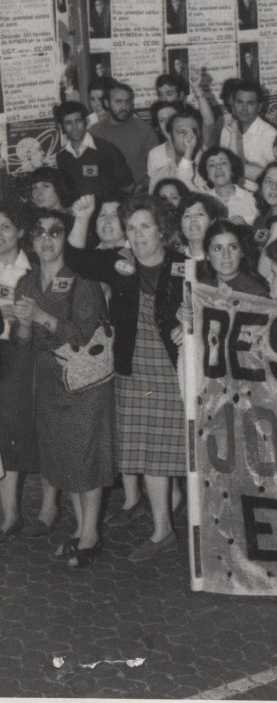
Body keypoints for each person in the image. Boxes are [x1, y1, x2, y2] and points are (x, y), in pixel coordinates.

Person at [65, 194, 186, 561]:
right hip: (131, 367)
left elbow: (215, 303)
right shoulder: (120, 261)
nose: (137, 235)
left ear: (161, 231)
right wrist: (82, 218)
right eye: (131, 228)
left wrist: (192, 323)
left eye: (145, 227)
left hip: (170, 369)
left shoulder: (185, 267)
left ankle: (165, 523)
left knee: (160, 451)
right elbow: (75, 258)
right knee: (146, 451)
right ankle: (163, 528)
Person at [13, 210, 114, 567]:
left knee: (84, 457)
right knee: (64, 459)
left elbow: (82, 336)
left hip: (81, 382)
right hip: (47, 382)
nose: (47, 239)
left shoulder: (82, 282)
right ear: (32, 240)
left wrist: (41, 317)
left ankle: (90, 536)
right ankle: (80, 530)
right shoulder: (26, 284)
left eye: (55, 233)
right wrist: (24, 326)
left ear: (65, 239)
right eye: (40, 232)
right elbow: (23, 344)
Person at [0, 201, 41, 541]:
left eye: (6, 227)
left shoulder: (32, 270)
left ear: (21, 231)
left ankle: (11, 514)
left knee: (11, 429)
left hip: (17, 353)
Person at [54, 101, 134, 199]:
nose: (74, 127)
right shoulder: (62, 156)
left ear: (86, 122)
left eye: (78, 121)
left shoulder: (107, 149)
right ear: (61, 126)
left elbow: (128, 186)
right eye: (68, 123)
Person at [199, 221, 268, 297]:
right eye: (217, 248)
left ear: (242, 252)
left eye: (233, 247)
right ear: (207, 255)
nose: (226, 255)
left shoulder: (256, 293)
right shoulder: (200, 287)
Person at [198, 147, 257, 225]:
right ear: (207, 174)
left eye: (223, 163)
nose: (218, 167)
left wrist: (246, 227)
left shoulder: (252, 200)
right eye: (212, 165)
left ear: (232, 170)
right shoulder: (202, 203)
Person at [178, 192, 227, 260]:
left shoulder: (224, 257)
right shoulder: (175, 258)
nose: (193, 219)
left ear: (212, 222)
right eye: (187, 216)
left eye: (200, 214)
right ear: (181, 226)